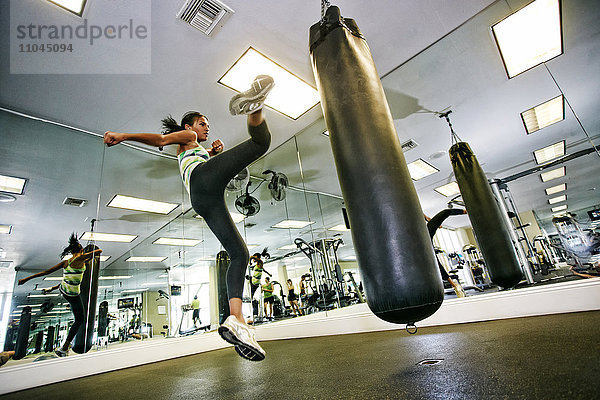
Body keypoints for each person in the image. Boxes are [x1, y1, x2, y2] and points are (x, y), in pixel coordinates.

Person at [103, 75, 274, 361]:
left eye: (207, 125)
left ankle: (236, 320)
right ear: (189, 127)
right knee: (261, 142)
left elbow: (196, 159)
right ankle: (255, 106)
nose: (206, 128)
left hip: (204, 198)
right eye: (202, 123)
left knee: (240, 254)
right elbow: (159, 140)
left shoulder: (194, 148)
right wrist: (123, 136)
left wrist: (212, 153)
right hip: (204, 183)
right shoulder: (189, 137)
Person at [18, 233, 102, 357]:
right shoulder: (80, 258)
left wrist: (26, 279)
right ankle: (64, 347)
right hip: (73, 295)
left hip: (64, 290)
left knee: (67, 279)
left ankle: (53, 288)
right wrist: (85, 254)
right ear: (81, 250)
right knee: (80, 319)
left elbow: (46, 271)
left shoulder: (66, 262)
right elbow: (99, 250)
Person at [425, 208, 468, 297]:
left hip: (424, 238)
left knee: (444, 213)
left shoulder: (427, 232)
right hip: (417, 241)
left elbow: (418, 212)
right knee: (436, 264)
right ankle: (454, 285)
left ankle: (455, 285)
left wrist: (427, 218)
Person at [249, 252, 272, 319]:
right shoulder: (259, 264)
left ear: (257, 257)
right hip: (254, 280)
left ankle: (252, 310)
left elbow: (251, 257)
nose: (254, 260)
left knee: (251, 294)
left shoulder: (260, 261)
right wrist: (269, 274)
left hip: (255, 282)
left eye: (255, 257)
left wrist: (250, 261)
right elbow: (263, 270)